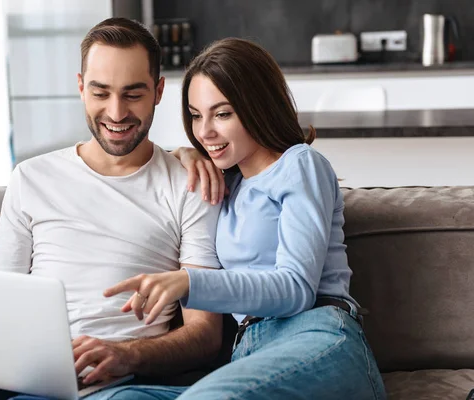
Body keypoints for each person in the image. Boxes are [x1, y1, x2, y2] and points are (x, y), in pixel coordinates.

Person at [0, 18, 226, 400]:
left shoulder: (191, 184)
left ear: (158, 91)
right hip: (16, 366)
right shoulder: (31, 177)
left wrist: (127, 356)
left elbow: (205, 334)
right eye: (100, 92)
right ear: (80, 87)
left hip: (105, 383)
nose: (116, 112)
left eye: (133, 94)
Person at [105, 37, 388, 399]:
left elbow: (296, 289)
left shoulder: (300, 165)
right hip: (248, 354)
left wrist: (189, 283)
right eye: (195, 115)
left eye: (222, 114)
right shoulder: (225, 184)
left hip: (317, 336)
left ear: (257, 106)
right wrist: (182, 155)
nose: (205, 131)